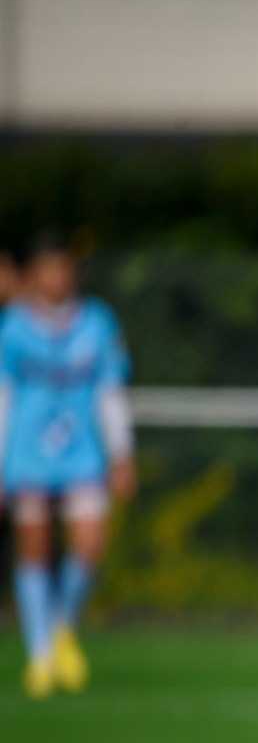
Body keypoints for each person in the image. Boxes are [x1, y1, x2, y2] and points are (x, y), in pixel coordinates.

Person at [0, 234, 134, 698]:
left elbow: (110, 392)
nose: (56, 278)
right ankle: (40, 653)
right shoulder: (14, 328)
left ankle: (61, 623)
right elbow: (3, 399)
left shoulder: (97, 323)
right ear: (34, 273)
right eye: (47, 268)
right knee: (34, 551)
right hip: (27, 456)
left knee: (90, 545)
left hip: (82, 455)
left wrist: (122, 453)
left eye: (63, 268)